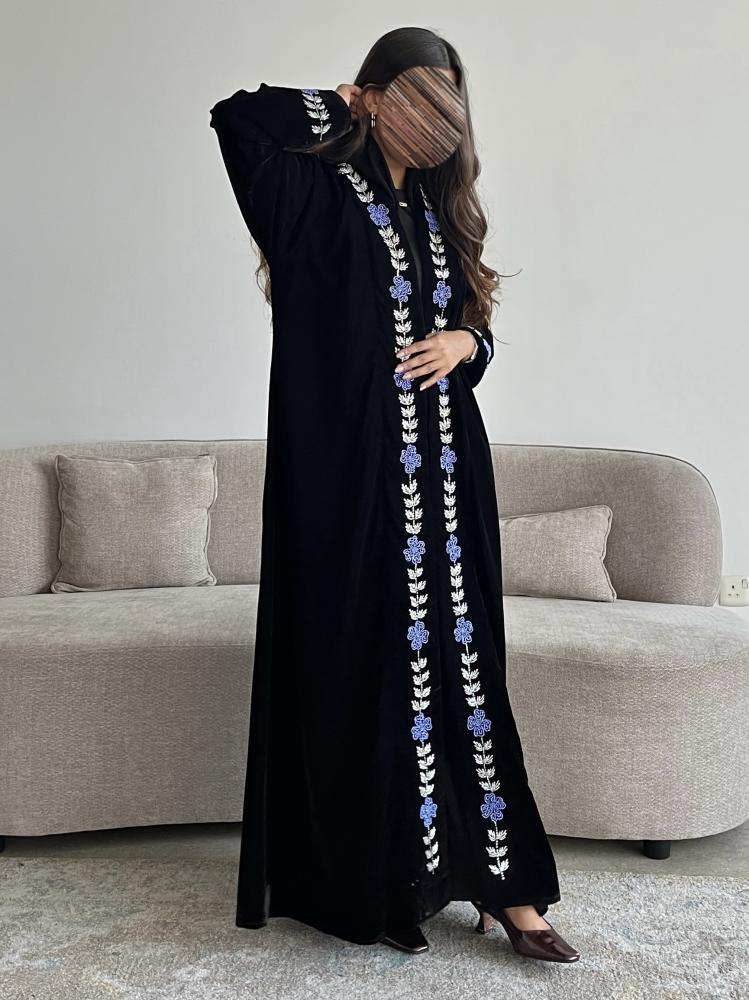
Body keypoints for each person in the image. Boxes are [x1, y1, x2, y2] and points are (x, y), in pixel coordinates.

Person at [209, 25, 581, 963]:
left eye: (445, 99)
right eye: (413, 93)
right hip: (346, 480)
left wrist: (467, 344)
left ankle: (506, 885)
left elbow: (471, 327)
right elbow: (236, 119)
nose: (431, 116)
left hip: (448, 482)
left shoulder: (441, 212)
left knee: (465, 670)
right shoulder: (307, 192)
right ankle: (385, 882)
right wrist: (338, 103)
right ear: (377, 95)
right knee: (363, 666)